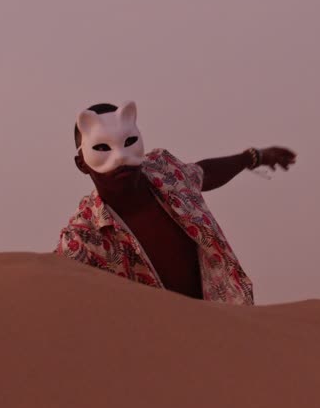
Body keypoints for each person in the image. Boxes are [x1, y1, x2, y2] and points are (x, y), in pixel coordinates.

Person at [54, 101, 296, 305]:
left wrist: (254, 157)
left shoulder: (164, 169)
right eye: (102, 148)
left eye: (128, 142)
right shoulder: (82, 238)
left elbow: (204, 173)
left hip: (226, 323)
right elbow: (57, 294)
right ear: (82, 164)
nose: (120, 158)